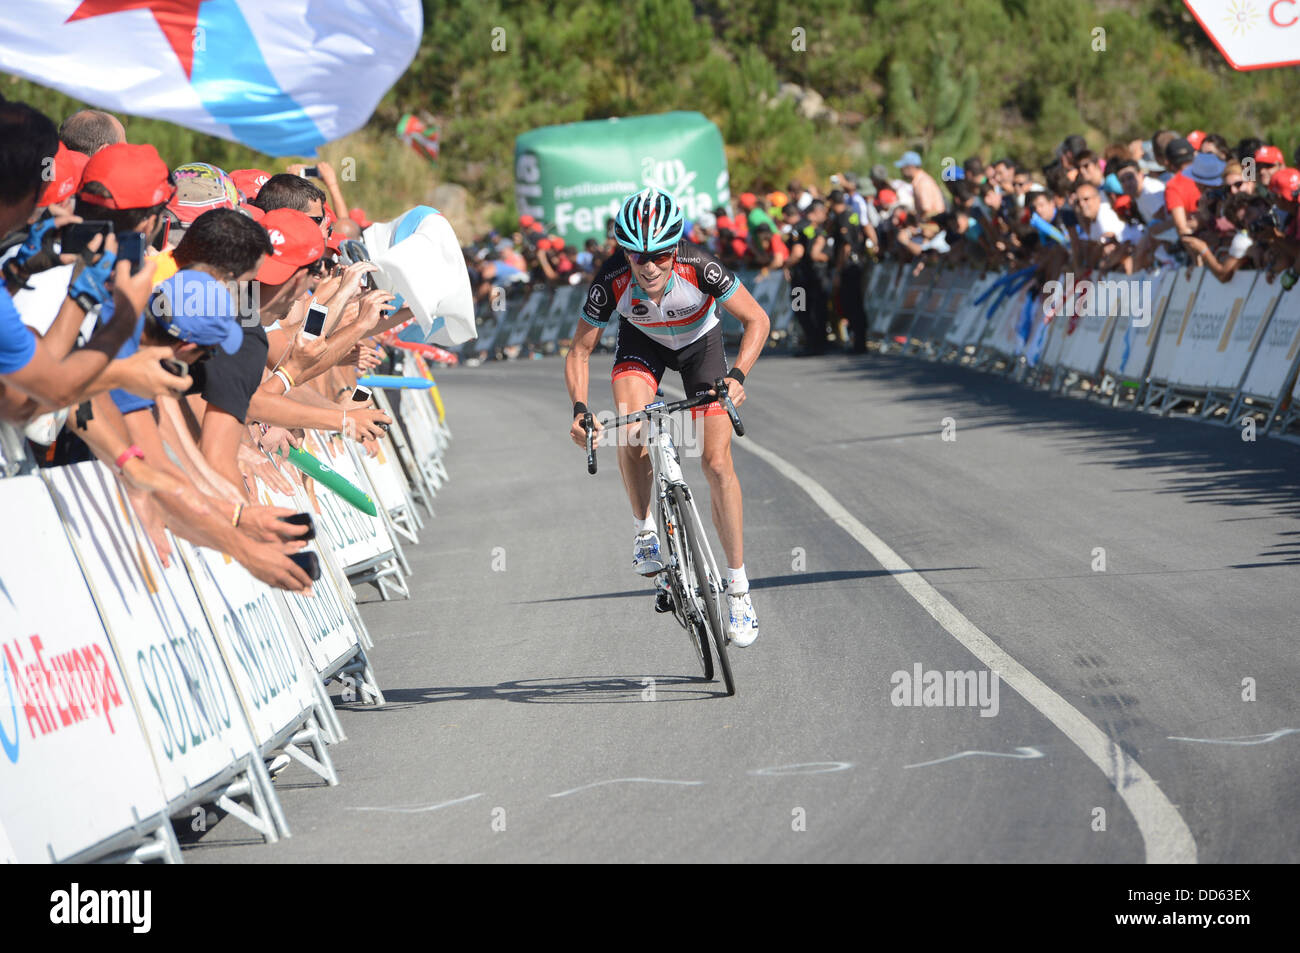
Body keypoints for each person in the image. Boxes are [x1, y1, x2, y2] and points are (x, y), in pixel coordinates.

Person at [564, 187, 770, 646]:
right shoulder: (611, 279)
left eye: (659, 253)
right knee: (631, 430)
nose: (649, 265)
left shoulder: (701, 268)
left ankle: (738, 589)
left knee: (717, 463)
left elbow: (757, 320)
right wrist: (580, 410)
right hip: (643, 346)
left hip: (702, 346)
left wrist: (738, 374)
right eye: (638, 256)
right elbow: (579, 351)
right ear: (625, 253)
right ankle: (645, 532)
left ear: (675, 247)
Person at [787, 198, 831, 355]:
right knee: (818, 310)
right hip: (816, 276)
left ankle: (812, 344)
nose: (826, 216)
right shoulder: (817, 229)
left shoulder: (798, 227)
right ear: (816, 212)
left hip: (800, 278)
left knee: (800, 309)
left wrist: (786, 265)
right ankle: (820, 343)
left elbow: (797, 253)